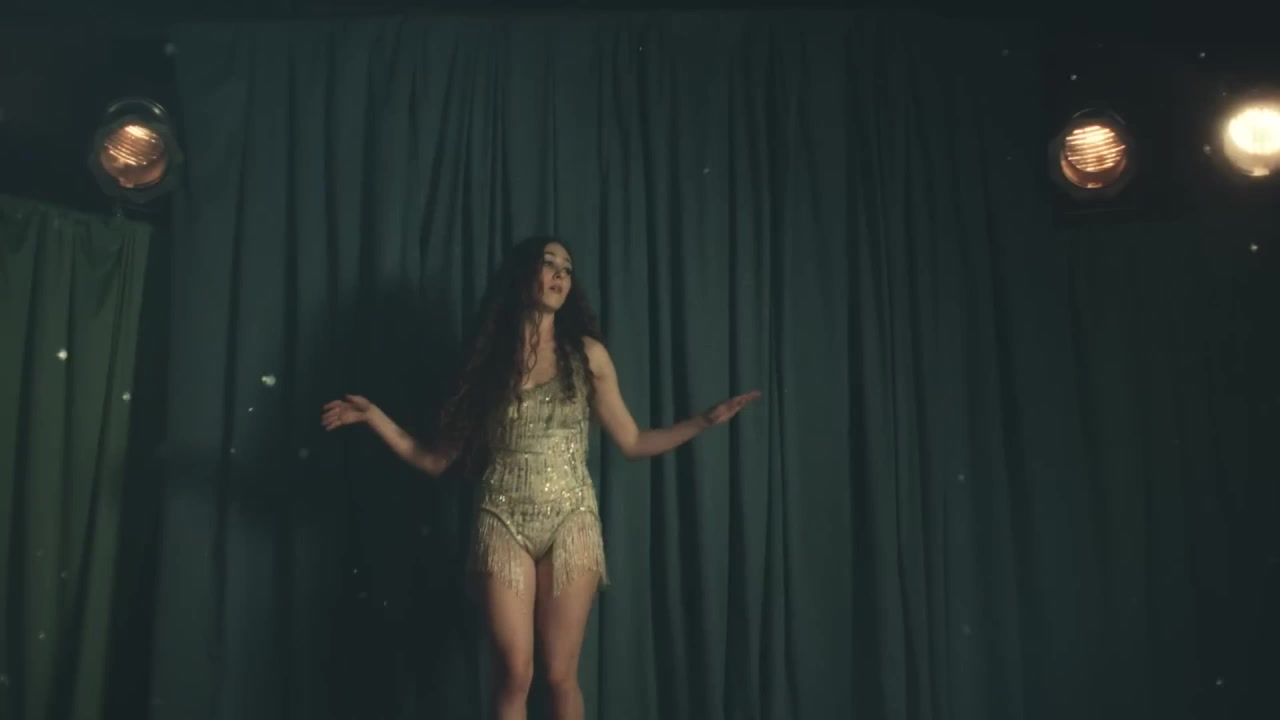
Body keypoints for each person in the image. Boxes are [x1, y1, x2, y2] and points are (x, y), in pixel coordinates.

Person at [321, 236, 759, 720]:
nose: (559, 274)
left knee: (559, 674)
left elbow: (632, 441)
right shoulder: (488, 363)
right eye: (548, 263)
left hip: (571, 520)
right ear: (523, 275)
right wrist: (375, 418)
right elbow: (435, 460)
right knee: (514, 673)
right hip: (501, 520)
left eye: (567, 268)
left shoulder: (588, 356)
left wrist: (704, 421)